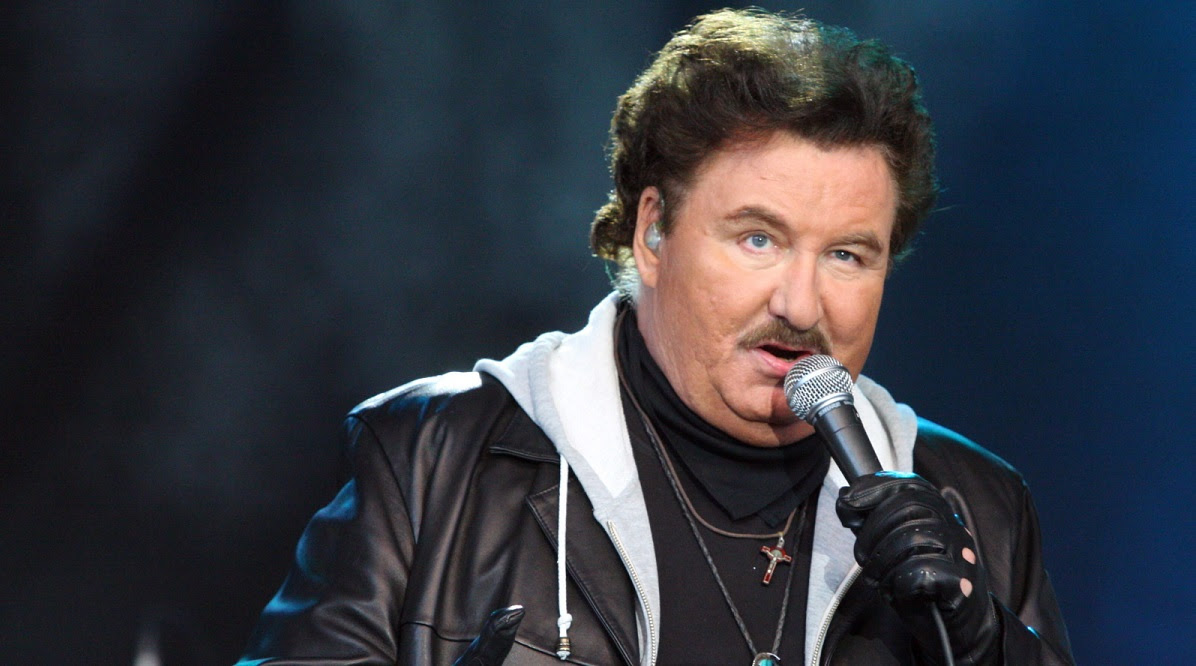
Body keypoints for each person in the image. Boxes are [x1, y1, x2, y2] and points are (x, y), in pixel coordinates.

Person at [238, 8, 1073, 665]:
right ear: (652, 232)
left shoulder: (977, 506)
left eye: (848, 255)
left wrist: (982, 643)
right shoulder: (431, 459)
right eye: (758, 238)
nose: (801, 303)